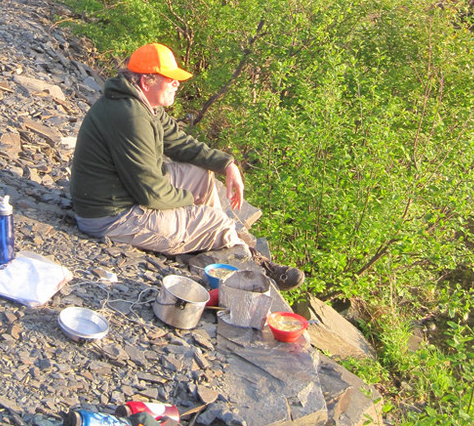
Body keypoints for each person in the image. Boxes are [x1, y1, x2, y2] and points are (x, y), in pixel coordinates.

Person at [69, 42, 304, 289]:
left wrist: (226, 164)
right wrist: (189, 201)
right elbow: (151, 193)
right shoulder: (131, 116)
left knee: (200, 175)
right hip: (111, 216)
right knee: (217, 221)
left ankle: (214, 242)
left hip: (124, 192)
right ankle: (254, 269)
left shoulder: (143, 104)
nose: (177, 84)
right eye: (170, 79)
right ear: (146, 81)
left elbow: (180, 142)